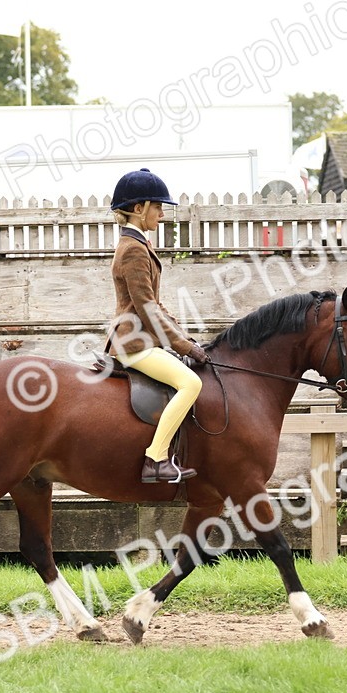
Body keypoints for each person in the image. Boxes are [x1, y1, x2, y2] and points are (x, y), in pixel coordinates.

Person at [107, 168, 209, 483]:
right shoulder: (133, 249)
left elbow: (155, 304)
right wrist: (184, 347)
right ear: (139, 209)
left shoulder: (138, 244)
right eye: (158, 207)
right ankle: (155, 459)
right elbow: (147, 308)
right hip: (134, 343)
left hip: (142, 338)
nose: (162, 214)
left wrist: (184, 338)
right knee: (191, 384)